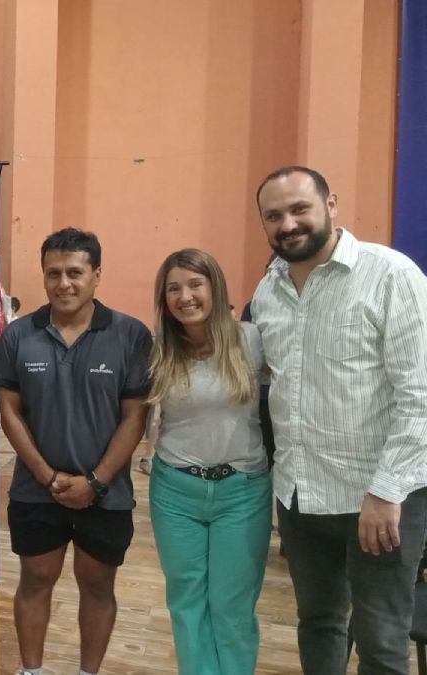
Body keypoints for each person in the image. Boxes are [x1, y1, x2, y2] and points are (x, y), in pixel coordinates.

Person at [250, 165, 427, 674]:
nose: (288, 224)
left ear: (330, 205)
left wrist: (386, 491)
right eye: (274, 215)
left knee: (381, 638)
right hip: (303, 495)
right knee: (319, 624)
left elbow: (418, 394)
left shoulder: (390, 274)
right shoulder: (269, 291)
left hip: (379, 500)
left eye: (299, 208)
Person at [0, 227, 152, 675]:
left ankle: (88, 672)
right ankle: (32, 670)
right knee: (35, 581)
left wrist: (95, 482)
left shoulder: (131, 334)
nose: (64, 283)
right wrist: (48, 477)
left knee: (98, 586)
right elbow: (10, 414)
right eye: (53, 274)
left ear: (97, 275)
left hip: (106, 494)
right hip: (36, 491)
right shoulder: (19, 336)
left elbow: (135, 418)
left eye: (75, 273)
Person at [147, 249, 271, 674]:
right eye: (174, 288)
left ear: (215, 288)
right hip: (175, 491)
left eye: (195, 284)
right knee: (186, 603)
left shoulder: (251, 341)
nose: (185, 296)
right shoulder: (159, 351)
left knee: (232, 606)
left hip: (242, 491)